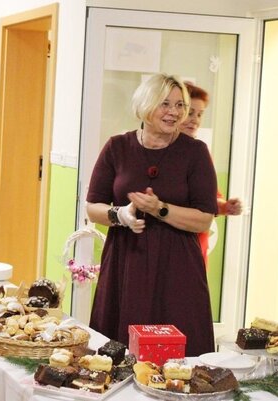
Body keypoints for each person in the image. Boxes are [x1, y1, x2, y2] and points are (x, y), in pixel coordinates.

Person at [86, 73, 218, 357]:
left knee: (179, 351)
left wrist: (160, 209)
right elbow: (93, 207)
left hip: (178, 265)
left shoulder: (195, 153)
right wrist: (121, 215)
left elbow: (204, 218)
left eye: (180, 105)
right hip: (126, 260)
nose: (174, 112)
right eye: (165, 104)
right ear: (145, 104)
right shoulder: (117, 147)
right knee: (118, 351)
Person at [180, 82, 242, 266]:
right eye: (190, 112)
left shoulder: (201, 153)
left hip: (193, 251)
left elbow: (210, 199)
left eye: (200, 114)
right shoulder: (154, 150)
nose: (195, 120)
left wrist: (225, 206)